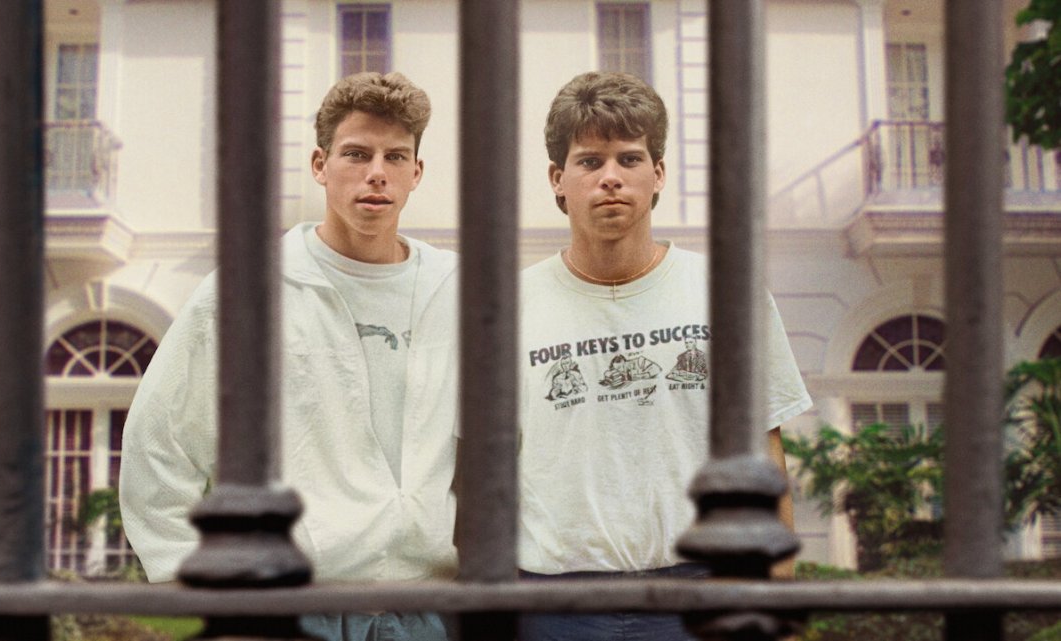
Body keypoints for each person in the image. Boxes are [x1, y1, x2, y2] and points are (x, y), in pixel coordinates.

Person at [120, 72, 459, 641]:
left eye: (395, 157)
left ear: (416, 172)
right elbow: (159, 441)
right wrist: (199, 581)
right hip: (294, 611)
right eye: (357, 154)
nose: (377, 172)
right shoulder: (252, 287)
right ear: (320, 164)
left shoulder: (454, 287)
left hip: (428, 611)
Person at [517, 71, 813, 641]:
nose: (610, 178)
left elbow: (762, 449)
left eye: (629, 159)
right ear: (558, 179)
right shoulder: (511, 307)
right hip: (555, 603)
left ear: (658, 174)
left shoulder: (725, 290)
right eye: (589, 161)